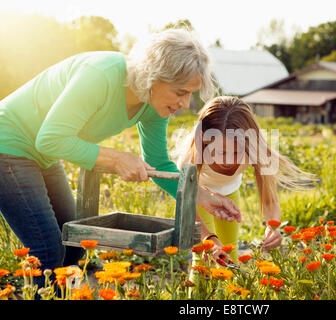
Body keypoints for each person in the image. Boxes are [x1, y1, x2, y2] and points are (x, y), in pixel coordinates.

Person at [0, 29, 241, 289]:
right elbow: (50, 138)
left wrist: (202, 195)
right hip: (9, 143)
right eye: (180, 92)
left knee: (73, 244)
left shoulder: (154, 103)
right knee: (46, 250)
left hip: (43, 155)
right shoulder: (100, 76)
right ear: (154, 77)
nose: (185, 103)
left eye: (190, 94)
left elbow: (158, 162)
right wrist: (116, 159)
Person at [176, 96, 317, 264]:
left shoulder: (258, 150)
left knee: (229, 253)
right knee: (202, 259)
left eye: (236, 153)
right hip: (198, 196)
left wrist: (272, 227)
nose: (228, 161)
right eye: (221, 152)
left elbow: (270, 201)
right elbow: (186, 202)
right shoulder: (192, 154)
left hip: (229, 192)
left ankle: (231, 290)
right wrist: (209, 237)